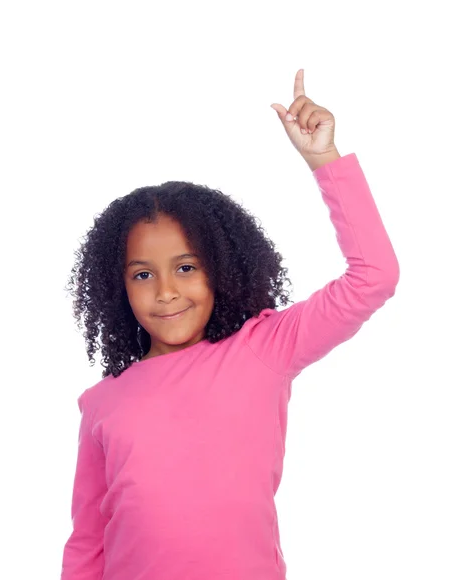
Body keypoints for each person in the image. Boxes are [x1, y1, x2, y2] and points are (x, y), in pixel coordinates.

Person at [61, 69, 399, 580]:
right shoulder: (102, 404)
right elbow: (87, 541)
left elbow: (373, 276)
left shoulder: (263, 350)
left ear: (220, 267)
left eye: (186, 267)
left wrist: (324, 160)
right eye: (143, 274)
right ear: (119, 288)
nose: (167, 290)